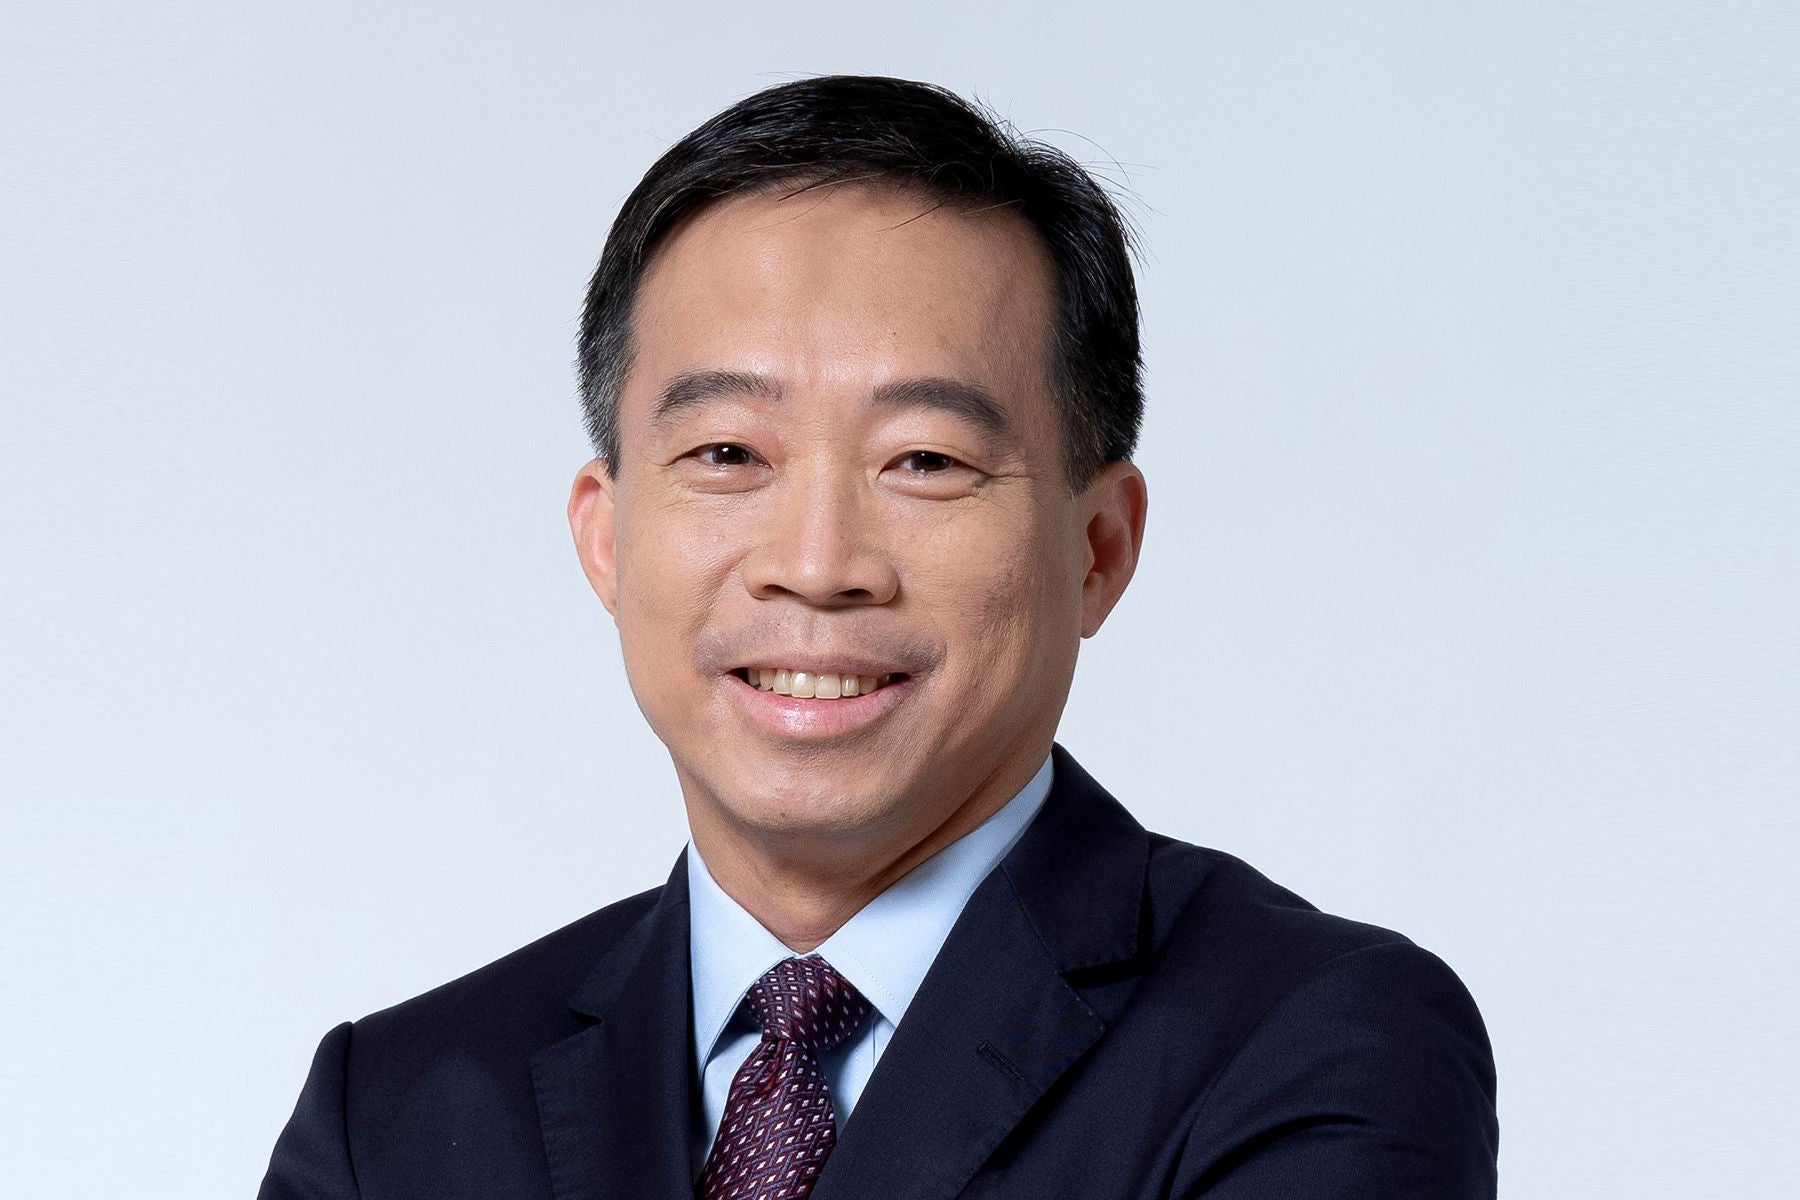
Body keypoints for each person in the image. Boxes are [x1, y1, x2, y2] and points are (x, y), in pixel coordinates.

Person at [260, 75, 1498, 1199]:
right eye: (727, 453)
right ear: (606, 537)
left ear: (1097, 548)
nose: (816, 563)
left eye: (926, 460)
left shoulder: (1318, 1045)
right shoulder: (395, 1116)